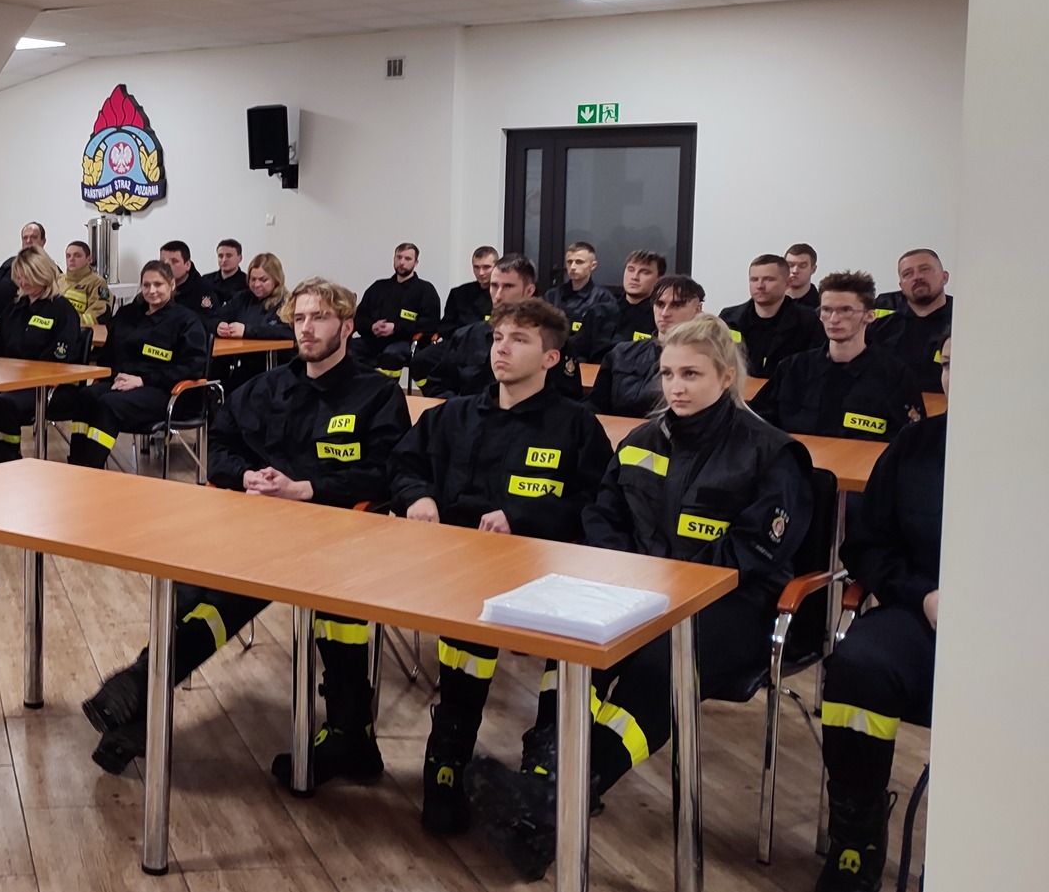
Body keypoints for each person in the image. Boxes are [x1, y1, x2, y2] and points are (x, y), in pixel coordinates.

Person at [470, 313, 814, 881]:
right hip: (633, 590)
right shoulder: (641, 440)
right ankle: (543, 783)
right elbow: (603, 515)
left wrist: (667, 584)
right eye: (668, 374)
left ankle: (561, 793)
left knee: (659, 662)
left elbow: (755, 549)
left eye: (691, 374)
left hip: (731, 605)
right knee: (572, 646)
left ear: (726, 377)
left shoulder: (772, 452)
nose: (675, 387)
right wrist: (629, 573)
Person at [79, 279, 412, 776]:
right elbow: (222, 447)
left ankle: (140, 688)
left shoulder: (377, 395)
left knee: (232, 593)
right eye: (300, 318)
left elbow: (387, 472)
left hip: (336, 534)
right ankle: (139, 704)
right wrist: (245, 476)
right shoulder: (265, 388)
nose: (306, 328)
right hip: (255, 524)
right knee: (194, 589)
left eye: (320, 318)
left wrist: (307, 488)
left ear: (347, 326)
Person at [390, 297, 613, 835]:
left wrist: (522, 516)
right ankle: (447, 759)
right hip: (455, 565)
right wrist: (418, 495)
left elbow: (596, 502)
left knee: (565, 650)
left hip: (542, 568)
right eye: (498, 338)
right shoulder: (453, 414)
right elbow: (403, 464)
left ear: (551, 358)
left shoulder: (576, 426)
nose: (502, 350)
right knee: (466, 647)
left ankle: (545, 768)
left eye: (519, 340)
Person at [812, 337, 948, 891]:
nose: (958, 377)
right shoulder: (915, 445)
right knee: (856, 667)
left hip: (1023, 629)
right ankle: (857, 835)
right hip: (922, 611)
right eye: (950, 364)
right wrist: (923, 595)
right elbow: (867, 544)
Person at [48, 259, 208, 469]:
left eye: (158, 284)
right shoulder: (127, 315)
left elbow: (193, 367)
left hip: (165, 391)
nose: (151, 290)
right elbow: (108, 354)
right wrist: (111, 375)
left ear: (171, 284)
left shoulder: (187, 321)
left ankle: (91, 467)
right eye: (146, 285)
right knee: (86, 396)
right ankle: (76, 464)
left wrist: (143, 380)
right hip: (122, 383)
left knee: (109, 404)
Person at [752, 270, 924, 442]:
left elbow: (911, 440)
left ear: (869, 316)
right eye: (826, 310)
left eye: (846, 310)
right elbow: (757, 422)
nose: (834, 319)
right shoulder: (792, 369)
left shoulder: (895, 375)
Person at [0, 247, 83, 464]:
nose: (23, 282)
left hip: (46, 387)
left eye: (29, 276)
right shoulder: (14, 309)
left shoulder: (62, 310)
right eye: (20, 276)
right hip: (9, 382)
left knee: (4, 405)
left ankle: (8, 460)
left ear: (43, 273)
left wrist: (23, 373)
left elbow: (61, 357)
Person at [417, 254, 579, 400]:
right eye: (494, 286)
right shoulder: (468, 336)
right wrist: (463, 410)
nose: (498, 295)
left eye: (508, 286)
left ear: (529, 290)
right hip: (473, 417)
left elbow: (568, 396)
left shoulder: (549, 339)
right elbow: (438, 385)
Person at [589, 274, 704, 417]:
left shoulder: (705, 360)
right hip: (617, 428)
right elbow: (596, 404)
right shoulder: (621, 353)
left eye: (676, 305)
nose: (665, 313)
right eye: (660, 304)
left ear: (697, 309)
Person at [720, 253, 824, 379]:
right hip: (738, 390)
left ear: (787, 283)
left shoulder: (808, 321)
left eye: (768, 279)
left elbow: (816, 367)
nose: (760, 286)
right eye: (754, 279)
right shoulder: (728, 319)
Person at [869, 248, 954, 395]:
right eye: (908, 274)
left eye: (925, 269)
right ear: (901, 286)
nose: (917, 277)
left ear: (944, 277)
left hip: (942, 405)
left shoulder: (962, 320)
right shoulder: (881, 317)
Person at [358, 241, 441, 367]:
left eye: (407, 259)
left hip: (406, 342)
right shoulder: (378, 287)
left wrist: (395, 328)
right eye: (399, 257)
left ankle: (385, 381)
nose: (402, 262)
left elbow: (430, 324)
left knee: (390, 356)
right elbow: (359, 317)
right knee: (346, 350)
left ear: (416, 263)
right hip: (374, 340)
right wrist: (372, 326)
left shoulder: (426, 290)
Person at [214, 252, 288, 391]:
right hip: (242, 363)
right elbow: (213, 317)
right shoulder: (243, 297)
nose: (257, 284)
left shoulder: (286, 302)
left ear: (276, 280)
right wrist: (218, 326)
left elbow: (286, 332)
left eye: (263, 280)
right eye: (253, 279)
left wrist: (246, 331)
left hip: (274, 368)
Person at [543, 241, 617, 363]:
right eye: (569, 262)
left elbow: (603, 340)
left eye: (579, 262)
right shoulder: (552, 296)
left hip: (586, 360)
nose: (572, 267)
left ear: (593, 265)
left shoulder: (603, 298)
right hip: (553, 356)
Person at [597, 249, 665, 358]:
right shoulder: (599, 312)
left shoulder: (661, 318)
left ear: (659, 279)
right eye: (631, 270)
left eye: (644, 272)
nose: (634, 277)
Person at [0, 221, 46, 313]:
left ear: (43, 241)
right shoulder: (10, 263)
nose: (28, 241)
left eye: (33, 237)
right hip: (0, 315)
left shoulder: (48, 269)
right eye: (25, 238)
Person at [159, 239, 219, 327]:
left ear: (187, 265)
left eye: (174, 261)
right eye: (162, 262)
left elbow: (206, 322)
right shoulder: (154, 288)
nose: (167, 266)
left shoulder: (203, 290)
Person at [58, 240, 113, 326]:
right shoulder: (58, 280)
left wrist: (69, 323)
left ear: (89, 259)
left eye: (77, 256)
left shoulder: (97, 283)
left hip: (80, 330)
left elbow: (99, 314)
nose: (71, 259)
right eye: (68, 256)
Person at [443, 246, 497, 332]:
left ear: (496, 267)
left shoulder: (504, 295)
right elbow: (445, 326)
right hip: (459, 338)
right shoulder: (458, 293)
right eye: (476, 267)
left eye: (486, 267)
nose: (481, 273)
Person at [785, 243, 821, 309]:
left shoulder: (822, 305)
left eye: (802, 266)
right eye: (790, 265)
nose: (795, 271)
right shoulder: (770, 301)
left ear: (813, 269)